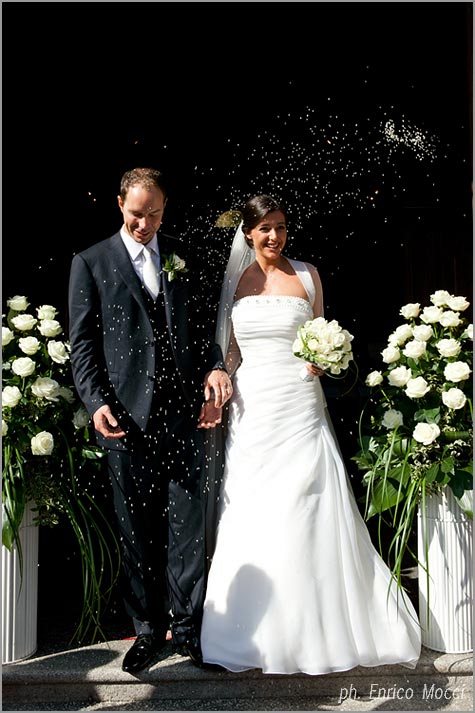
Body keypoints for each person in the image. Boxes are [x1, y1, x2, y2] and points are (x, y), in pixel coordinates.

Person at [200, 194, 421, 675]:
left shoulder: (308, 274)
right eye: (265, 229)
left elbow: (321, 331)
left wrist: (326, 357)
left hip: (301, 402)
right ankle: (248, 630)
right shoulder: (234, 281)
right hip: (253, 408)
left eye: (281, 226)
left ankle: (319, 624)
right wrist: (216, 392)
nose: (275, 236)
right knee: (254, 506)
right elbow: (229, 352)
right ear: (248, 233)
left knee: (308, 501)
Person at [68, 167, 231, 674]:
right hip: (125, 419)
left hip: (184, 415)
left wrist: (215, 367)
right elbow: (84, 344)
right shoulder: (90, 262)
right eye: (137, 213)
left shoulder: (182, 255)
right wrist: (95, 401)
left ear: (165, 208)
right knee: (136, 530)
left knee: (188, 529)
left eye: (155, 213)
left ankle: (188, 630)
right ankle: (146, 631)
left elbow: (204, 327)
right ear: (120, 204)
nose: (145, 223)